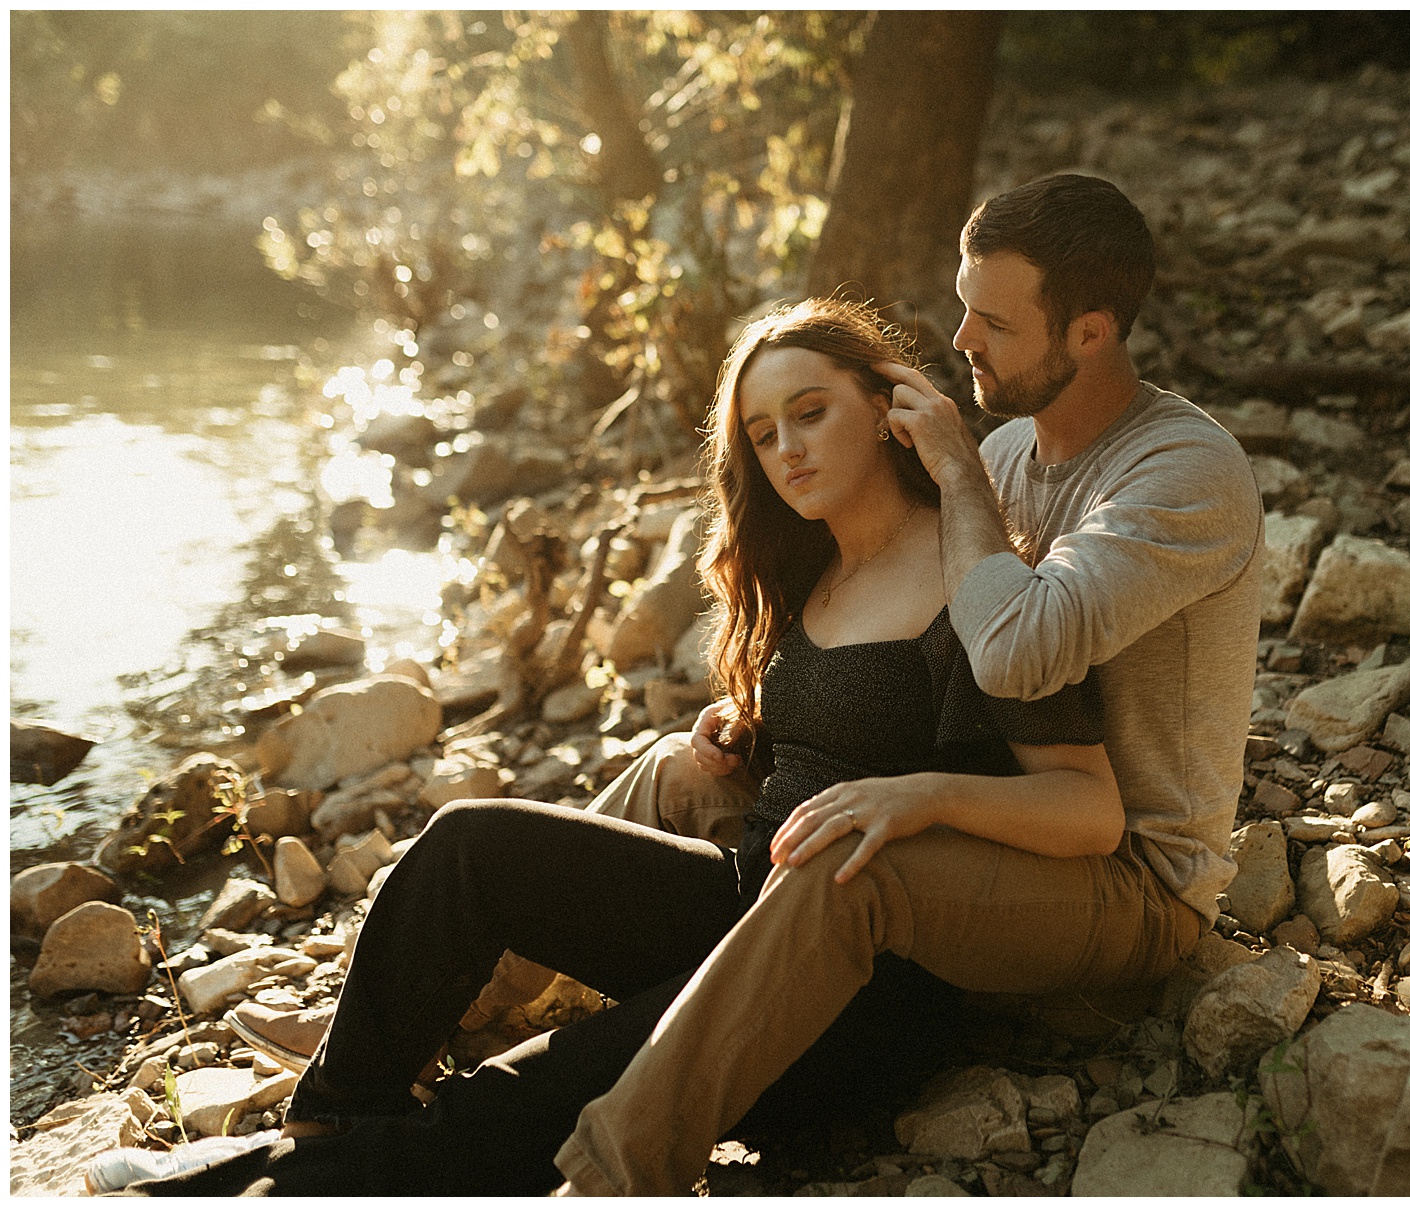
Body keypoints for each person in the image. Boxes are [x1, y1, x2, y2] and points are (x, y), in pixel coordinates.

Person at [103, 296, 1124, 1196]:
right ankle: (330, 1114)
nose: (789, 451)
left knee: (533, 1090)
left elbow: (1085, 805)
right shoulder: (809, 570)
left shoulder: (978, 583)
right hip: (741, 901)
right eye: (765, 434)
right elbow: (848, 737)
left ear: (891, 409)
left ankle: (240, 1190)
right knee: (468, 842)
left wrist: (925, 798)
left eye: (812, 413)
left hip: (847, 993)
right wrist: (746, 735)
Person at [538, 173, 1264, 1194]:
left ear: (1092, 332)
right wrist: (777, 717)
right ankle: (496, 989)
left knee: (852, 859)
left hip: (1122, 870)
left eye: (995, 322)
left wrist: (961, 476)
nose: (960, 338)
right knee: (679, 769)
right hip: (1001, 821)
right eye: (963, 303)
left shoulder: (1180, 473)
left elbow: (1013, 652)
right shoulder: (1010, 447)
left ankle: (618, 1171)